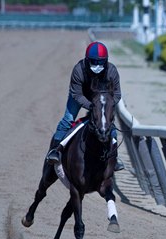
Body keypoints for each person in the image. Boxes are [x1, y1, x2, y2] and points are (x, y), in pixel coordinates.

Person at [46, 41, 124, 171]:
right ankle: (55, 151)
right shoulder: (78, 70)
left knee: (109, 124)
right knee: (67, 120)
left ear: (106, 61)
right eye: (94, 62)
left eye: (101, 62)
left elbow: (116, 95)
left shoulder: (112, 71)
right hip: (81, 96)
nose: (98, 65)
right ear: (87, 60)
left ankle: (114, 158)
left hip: (102, 100)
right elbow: (76, 94)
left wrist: (104, 106)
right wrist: (92, 106)